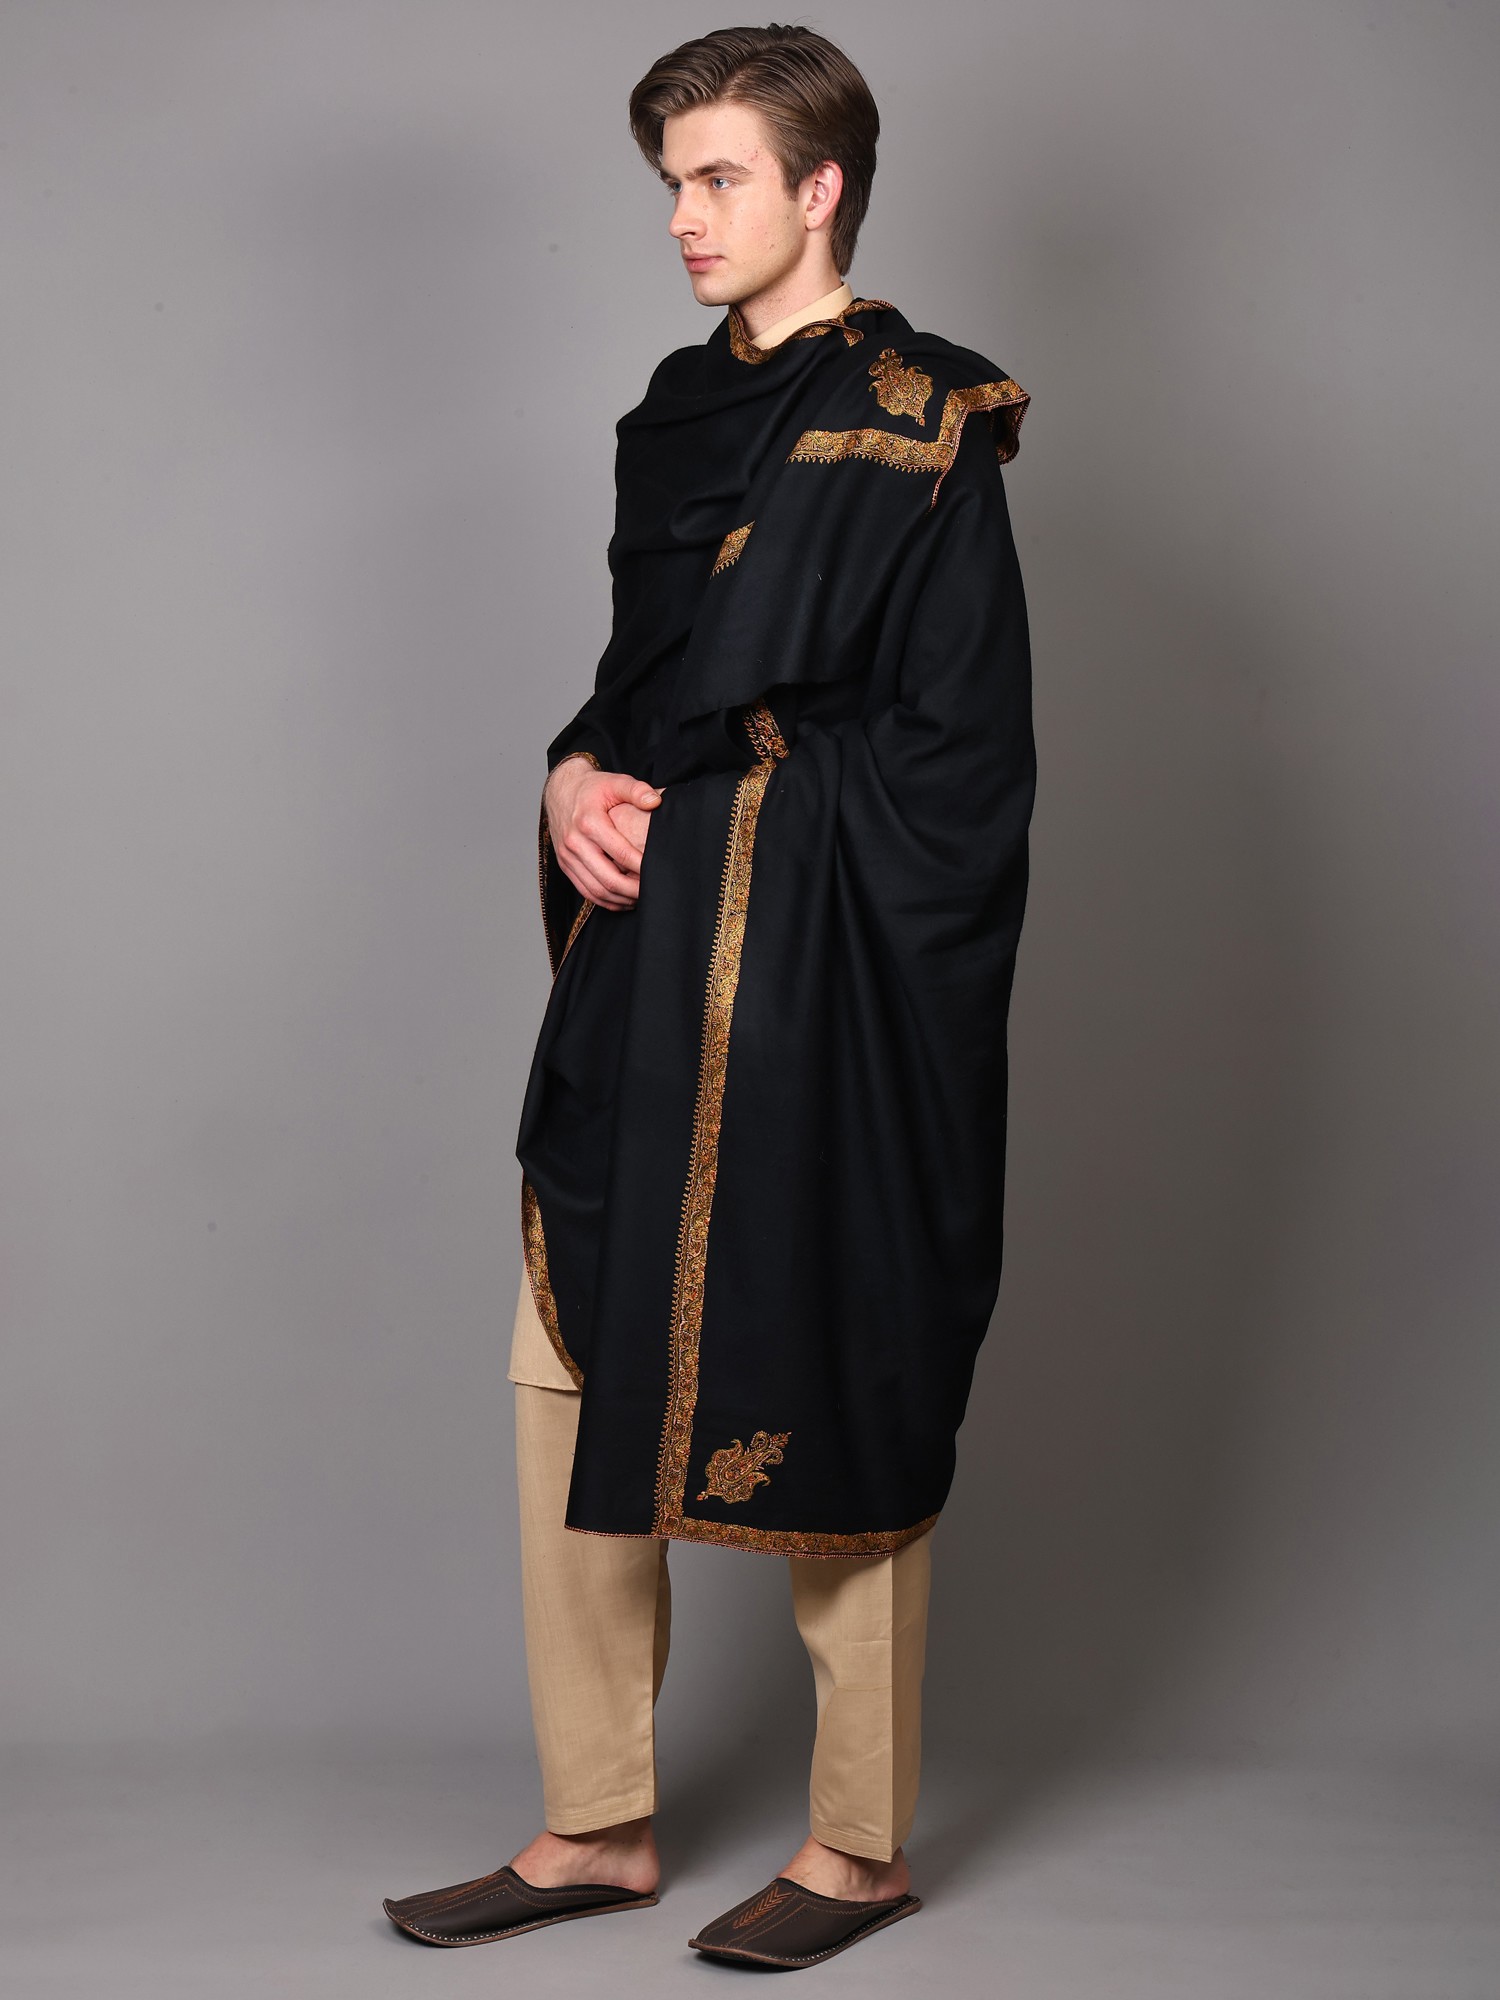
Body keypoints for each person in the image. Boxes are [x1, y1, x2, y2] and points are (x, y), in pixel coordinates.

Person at [382, 21, 1033, 1971]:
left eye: (720, 177)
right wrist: (573, 779)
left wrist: (744, 821)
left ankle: (858, 1848)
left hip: (823, 984)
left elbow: (961, 768)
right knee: (565, 1358)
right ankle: (595, 1821)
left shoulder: (924, 419)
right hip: (649, 970)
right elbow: (636, 692)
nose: (682, 216)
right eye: (671, 182)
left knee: (838, 1355)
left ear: (822, 189)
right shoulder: (671, 414)